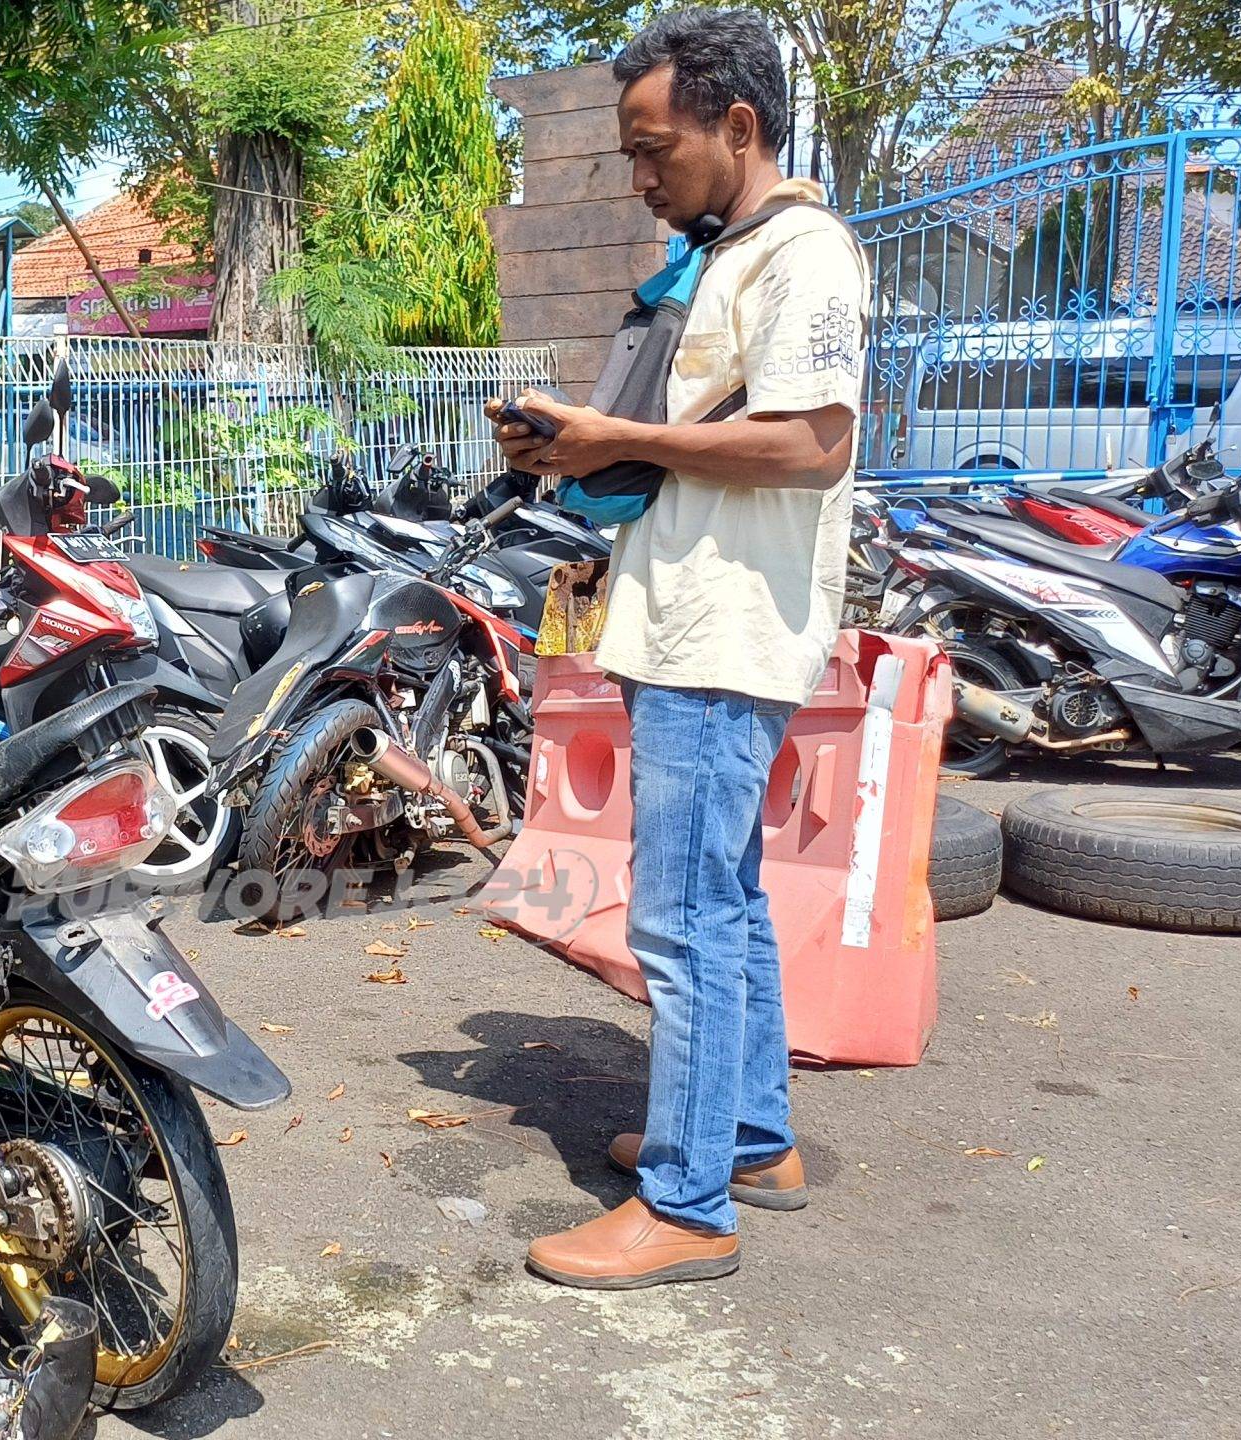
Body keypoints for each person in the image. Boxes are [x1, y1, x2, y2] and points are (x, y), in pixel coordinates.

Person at [491, 6, 866, 1290]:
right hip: (691, 615)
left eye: (653, 152)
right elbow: (706, 439)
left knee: (684, 918)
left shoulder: (803, 256)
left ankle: (690, 1203)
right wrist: (584, 450)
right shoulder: (732, 253)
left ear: (738, 126)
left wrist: (616, 439)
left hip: (725, 636)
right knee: (728, 901)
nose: (641, 179)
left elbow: (814, 446)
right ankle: (751, 1139)